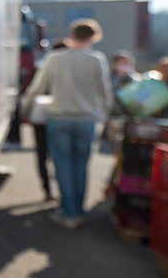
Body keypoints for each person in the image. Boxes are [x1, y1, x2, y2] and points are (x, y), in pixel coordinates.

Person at [21, 19, 114, 229]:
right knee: (81, 166)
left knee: (63, 165)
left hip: (59, 118)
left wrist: (25, 109)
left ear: (72, 34)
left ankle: (68, 212)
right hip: (87, 120)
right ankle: (78, 211)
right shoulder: (96, 59)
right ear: (93, 37)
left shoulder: (55, 58)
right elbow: (105, 93)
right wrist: (107, 114)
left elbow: (37, 87)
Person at [26, 39, 68, 200]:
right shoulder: (69, 69)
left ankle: (47, 190)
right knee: (61, 156)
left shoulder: (45, 65)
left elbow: (35, 89)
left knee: (42, 154)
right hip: (61, 115)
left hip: (41, 115)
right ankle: (62, 190)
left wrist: (27, 109)